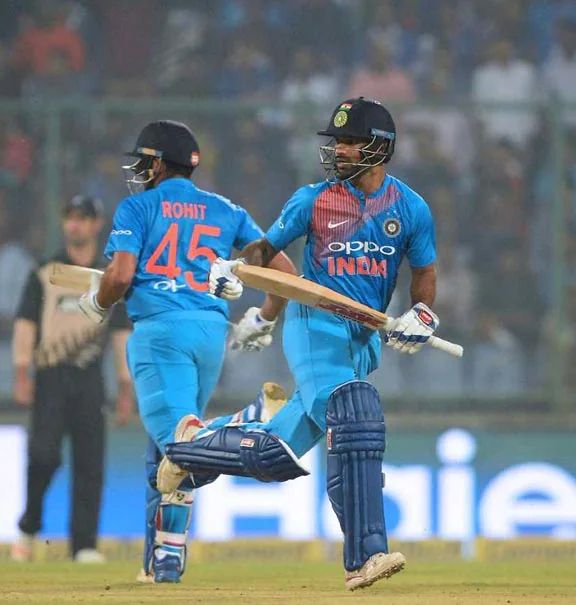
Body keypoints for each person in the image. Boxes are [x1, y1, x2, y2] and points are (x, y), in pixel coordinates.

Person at [158, 97, 442, 591]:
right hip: (315, 324)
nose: (339, 151)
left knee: (275, 456)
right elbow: (264, 250)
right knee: (355, 413)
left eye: (350, 142)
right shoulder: (312, 200)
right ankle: (366, 555)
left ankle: (193, 447)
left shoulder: (411, 208)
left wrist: (422, 313)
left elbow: (425, 274)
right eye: (336, 142)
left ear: (380, 148)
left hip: (363, 339)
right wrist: (234, 268)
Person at [76, 120, 295, 583]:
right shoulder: (225, 209)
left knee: (183, 444)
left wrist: (98, 303)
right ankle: (162, 561)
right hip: (209, 333)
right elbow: (284, 270)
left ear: (159, 164)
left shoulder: (138, 207)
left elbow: (120, 276)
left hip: (160, 332)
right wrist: (264, 318)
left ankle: (246, 419)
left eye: (144, 161)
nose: (139, 170)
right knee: (166, 455)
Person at [11, 195, 133, 563]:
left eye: (82, 218)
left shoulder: (111, 277)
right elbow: (26, 323)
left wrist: (125, 385)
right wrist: (22, 371)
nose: (74, 224)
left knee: (90, 462)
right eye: (69, 217)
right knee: (43, 455)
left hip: (89, 377)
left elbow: (120, 334)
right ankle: (29, 528)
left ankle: (84, 545)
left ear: (96, 224)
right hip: (50, 375)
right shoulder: (45, 272)